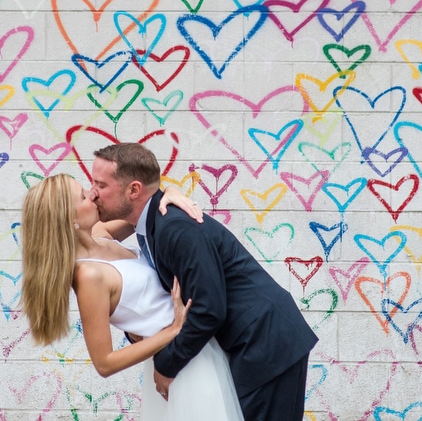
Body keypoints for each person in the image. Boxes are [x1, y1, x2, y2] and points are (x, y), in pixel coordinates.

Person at [90, 143, 319, 421]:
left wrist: (166, 365)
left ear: (134, 190)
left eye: (100, 185)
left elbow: (209, 309)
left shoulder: (174, 227)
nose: (93, 193)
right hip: (250, 342)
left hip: (265, 343)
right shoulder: (150, 224)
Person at [19, 174, 243, 420]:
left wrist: (170, 192)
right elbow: (105, 363)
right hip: (181, 366)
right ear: (69, 219)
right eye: (83, 196)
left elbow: (144, 208)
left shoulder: (100, 232)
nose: (92, 193)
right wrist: (173, 330)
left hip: (199, 345)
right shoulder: (88, 276)